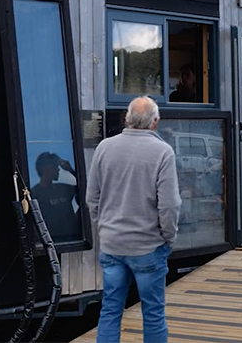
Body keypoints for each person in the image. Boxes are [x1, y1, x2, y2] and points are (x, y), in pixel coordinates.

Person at [86, 96, 181, 343]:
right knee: (153, 313)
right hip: (148, 246)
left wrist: (104, 228)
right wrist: (168, 238)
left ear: (127, 119)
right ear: (155, 122)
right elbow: (169, 205)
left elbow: (91, 198)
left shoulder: (104, 147)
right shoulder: (162, 152)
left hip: (112, 245)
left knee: (109, 310)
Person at [29, 152, 81, 241]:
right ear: (46, 169)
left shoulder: (63, 188)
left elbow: (86, 189)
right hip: (51, 241)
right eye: (55, 167)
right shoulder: (34, 193)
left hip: (72, 238)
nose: (58, 170)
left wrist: (71, 170)